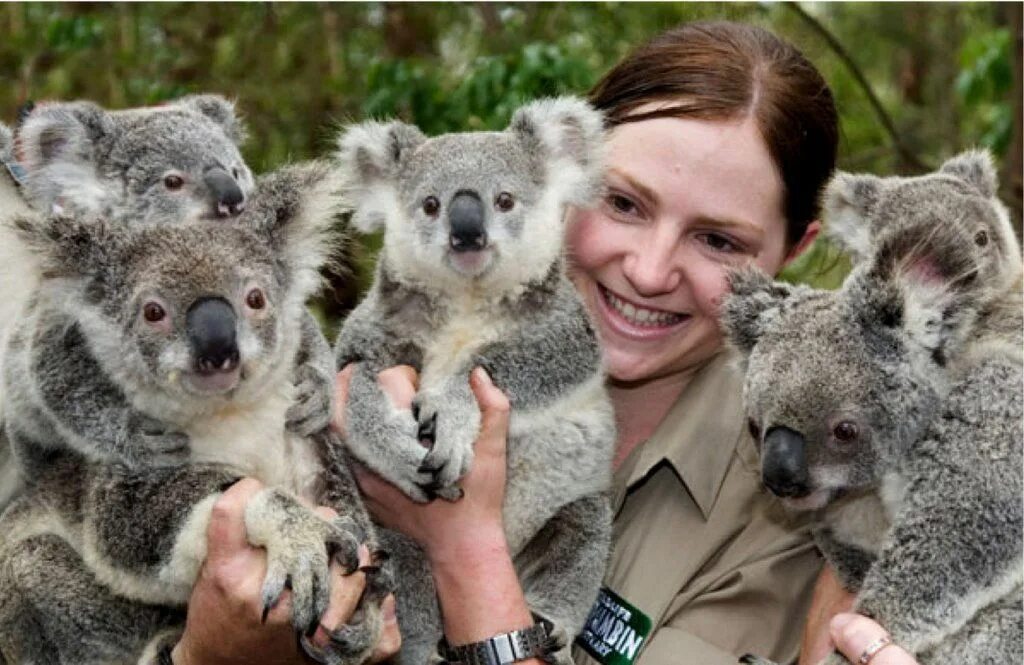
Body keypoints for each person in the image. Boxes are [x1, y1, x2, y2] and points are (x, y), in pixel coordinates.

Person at [171, 20, 920, 665]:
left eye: (719, 239)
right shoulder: (371, 344)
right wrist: (209, 650)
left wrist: (464, 548)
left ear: (793, 251)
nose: (649, 270)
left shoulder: (813, 493)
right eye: (622, 203)